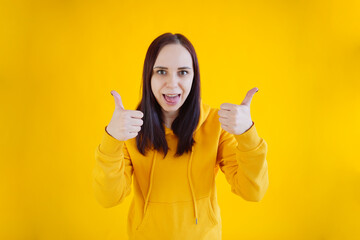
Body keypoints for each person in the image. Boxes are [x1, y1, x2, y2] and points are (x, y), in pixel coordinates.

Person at [92, 32, 269, 240]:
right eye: (161, 72)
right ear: (148, 76)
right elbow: (108, 197)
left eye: (183, 72)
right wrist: (111, 139)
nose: (172, 83)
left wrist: (247, 134)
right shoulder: (130, 129)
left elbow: (253, 192)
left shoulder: (216, 125)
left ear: (194, 78)